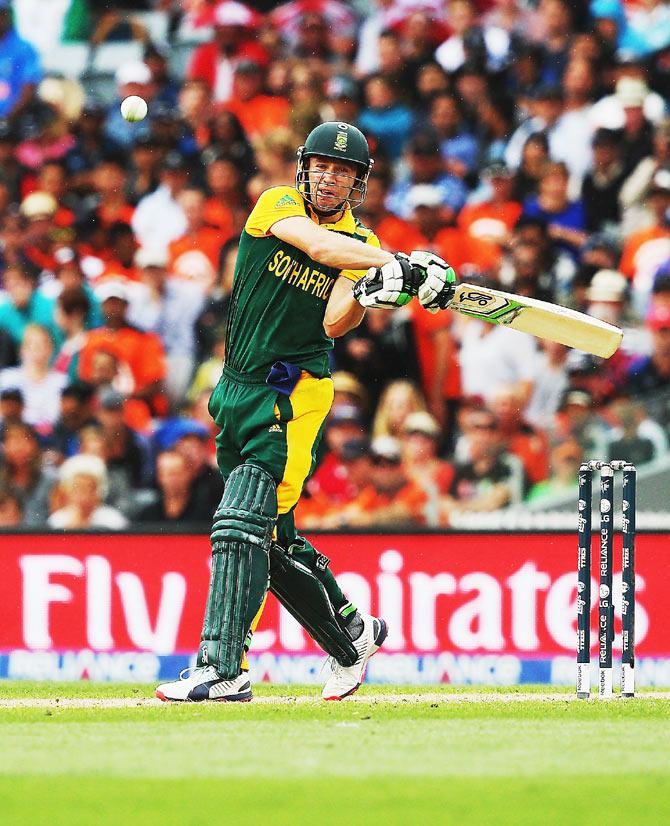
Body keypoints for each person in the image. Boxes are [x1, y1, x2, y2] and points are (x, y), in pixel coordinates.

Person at [156, 121, 456, 703]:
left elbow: (333, 320)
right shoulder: (278, 205)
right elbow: (318, 248)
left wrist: (381, 287)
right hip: (237, 388)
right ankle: (352, 635)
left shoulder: (357, 240)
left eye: (342, 171)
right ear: (305, 167)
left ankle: (222, 666)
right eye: (322, 165)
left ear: (357, 183)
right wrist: (397, 262)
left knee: (239, 522)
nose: (329, 177)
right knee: (270, 540)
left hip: (295, 398)